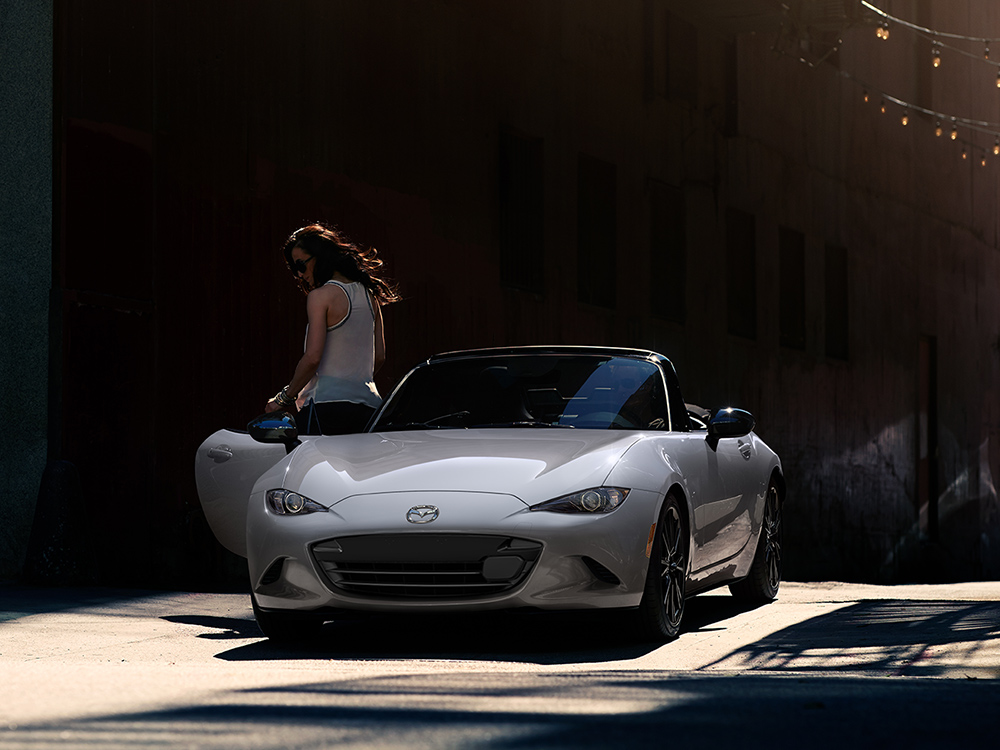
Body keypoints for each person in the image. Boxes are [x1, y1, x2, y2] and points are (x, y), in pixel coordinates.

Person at [264, 223, 400, 434]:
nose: (299, 275)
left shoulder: (320, 296)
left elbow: (312, 358)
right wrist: (352, 381)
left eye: (300, 265)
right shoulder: (369, 296)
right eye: (294, 269)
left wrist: (283, 399)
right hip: (370, 411)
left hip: (326, 412)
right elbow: (379, 355)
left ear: (319, 256)